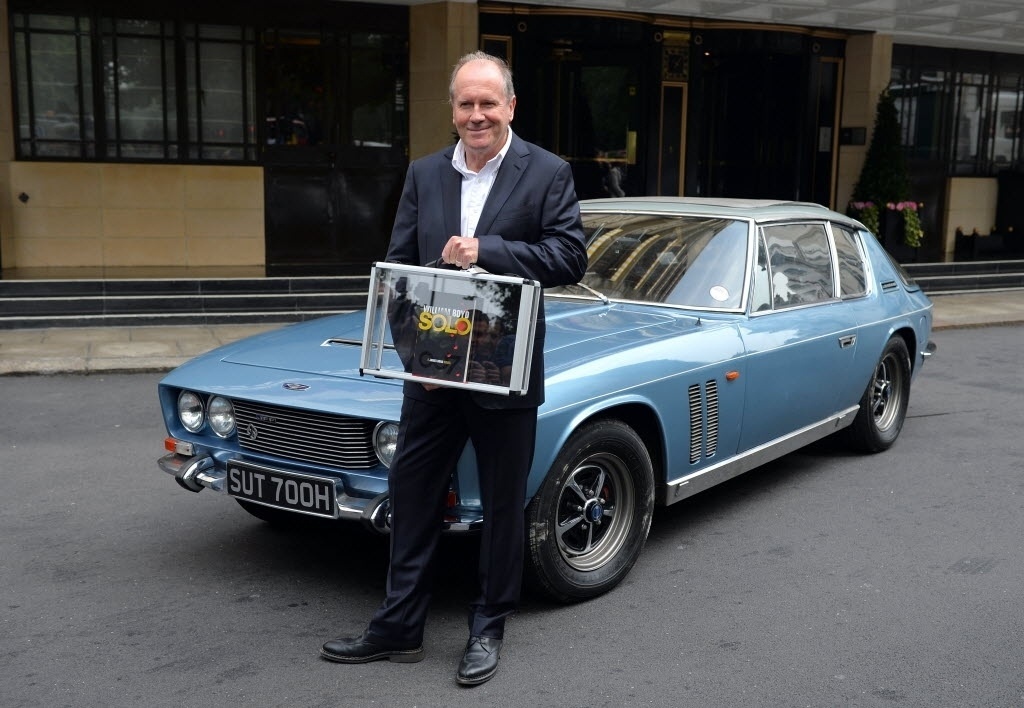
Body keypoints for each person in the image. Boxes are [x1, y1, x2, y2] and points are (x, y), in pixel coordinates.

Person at [320, 51, 588, 686]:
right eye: (466, 104)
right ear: (452, 110)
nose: (477, 115)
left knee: (501, 506)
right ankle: (398, 628)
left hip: (504, 370)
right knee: (412, 497)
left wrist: (485, 250)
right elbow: (399, 270)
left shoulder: (547, 171)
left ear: (510, 106)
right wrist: (414, 358)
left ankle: (487, 627)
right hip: (432, 373)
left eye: (488, 103)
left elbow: (568, 256)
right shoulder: (424, 173)